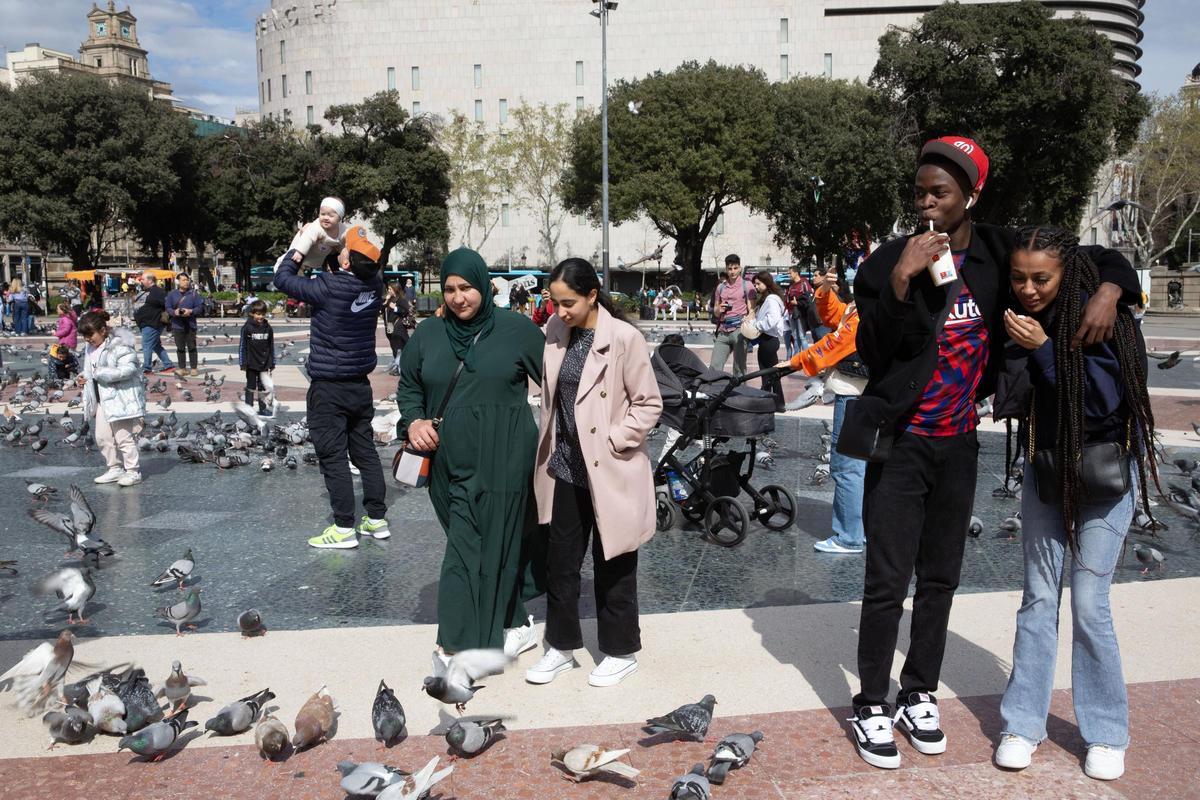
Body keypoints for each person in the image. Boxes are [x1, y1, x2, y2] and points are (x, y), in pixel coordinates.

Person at [846, 136, 1141, 770]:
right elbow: (872, 354)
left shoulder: (996, 253)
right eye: (920, 191)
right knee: (886, 580)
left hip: (958, 443)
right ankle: (871, 701)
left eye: (940, 193)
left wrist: (1111, 293)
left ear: (969, 197)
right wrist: (900, 280)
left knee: (942, 577)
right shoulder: (887, 261)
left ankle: (916, 692)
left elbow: (1096, 259)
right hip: (901, 444)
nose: (926, 204)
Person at [993, 227, 1158, 782]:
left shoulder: (1096, 315)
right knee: (1038, 599)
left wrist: (1106, 296)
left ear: (1067, 273)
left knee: (1090, 603)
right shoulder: (1021, 312)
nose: (1028, 288)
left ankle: (1107, 733)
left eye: (1042, 278)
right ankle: (1022, 724)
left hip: (1106, 473)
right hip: (1047, 471)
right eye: (1019, 278)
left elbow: (1101, 400)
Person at [397, 247, 545, 658]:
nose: (458, 297)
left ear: (483, 285)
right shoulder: (428, 334)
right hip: (446, 464)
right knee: (478, 546)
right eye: (449, 289)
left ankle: (458, 650)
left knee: (471, 547)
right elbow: (409, 386)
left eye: (466, 288)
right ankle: (514, 620)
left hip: (505, 460)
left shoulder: (517, 330)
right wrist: (413, 421)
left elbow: (558, 382)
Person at [527, 258, 662, 688]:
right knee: (561, 561)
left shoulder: (625, 338)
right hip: (566, 465)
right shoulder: (555, 332)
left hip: (611, 468)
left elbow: (649, 403)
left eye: (567, 303)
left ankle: (621, 651)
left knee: (615, 561)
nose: (559, 312)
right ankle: (561, 646)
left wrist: (615, 438)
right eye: (553, 303)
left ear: (591, 295)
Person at [273, 225, 390, 549]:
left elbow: (282, 279)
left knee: (333, 457)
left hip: (329, 388)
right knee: (364, 452)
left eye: (345, 250)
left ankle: (342, 528)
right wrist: (338, 243)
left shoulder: (329, 286)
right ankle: (376, 519)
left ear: (348, 262)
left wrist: (304, 243)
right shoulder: (375, 285)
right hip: (359, 386)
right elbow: (357, 262)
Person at [781, 271, 868, 553]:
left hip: (852, 394)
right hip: (862, 394)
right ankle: (862, 529)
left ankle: (849, 537)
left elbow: (833, 344)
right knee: (864, 468)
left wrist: (794, 362)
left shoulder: (866, 314)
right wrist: (827, 291)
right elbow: (834, 315)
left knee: (846, 468)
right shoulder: (866, 307)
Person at [78, 310, 145, 487]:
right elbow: (90, 369)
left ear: (103, 330)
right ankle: (114, 468)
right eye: (84, 336)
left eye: (90, 334)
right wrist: (84, 377)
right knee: (102, 437)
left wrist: (100, 373)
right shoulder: (90, 347)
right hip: (101, 398)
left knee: (123, 437)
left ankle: (133, 471)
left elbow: (129, 369)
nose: (87, 339)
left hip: (119, 398)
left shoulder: (120, 345)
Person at [708, 254, 755, 376]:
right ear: (726, 269)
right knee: (714, 367)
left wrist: (748, 319)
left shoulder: (747, 285)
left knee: (739, 369)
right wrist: (719, 309)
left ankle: (740, 393)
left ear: (740, 268)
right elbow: (716, 311)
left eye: (735, 268)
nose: (732, 271)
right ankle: (713, 392)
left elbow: (752, 309)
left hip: (739, 331)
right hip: (723, 331)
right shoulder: (721, 287)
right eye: (730, 268)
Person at [276, 196, 349, 271]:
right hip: (302, 249)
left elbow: (349, 238)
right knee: (293, 258)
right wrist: (300, 252)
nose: (326, 217)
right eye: (323, 214)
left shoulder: (343, 230)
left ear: (339, 218)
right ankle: (280, 265)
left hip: (316, 258)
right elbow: (307, 238)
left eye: (330, 216)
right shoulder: (317, 226)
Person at [239, 299, 276, 416]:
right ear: (252, 313)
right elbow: (242, 346)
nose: (260, 317)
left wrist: (272, 362)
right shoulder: (247, 328)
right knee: (250, 387)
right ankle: (249, 407)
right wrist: (242, 362)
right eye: (258, 314)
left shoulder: (268, 328)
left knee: (262, 387)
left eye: (263, 314)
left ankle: (263, 408)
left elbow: (271, 346)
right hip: (251, 363)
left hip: (264, 363)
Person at [132, 272, 174, 374]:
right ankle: (168, 365)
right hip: (146, 323)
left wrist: (169, 321)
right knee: (156, 345)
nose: (141, 281)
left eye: (143, 279)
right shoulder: (147, 291)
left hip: (152, 323)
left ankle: (147, 368)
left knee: (146, 345)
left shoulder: (158, 292)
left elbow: (168, 305)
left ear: (150, 280)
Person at [166, 273, 204, 376]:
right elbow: (168, 307)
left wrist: (190, 311)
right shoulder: (172, 294)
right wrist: (175, 312)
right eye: (183, 280)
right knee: (180, 347)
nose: (186, 282)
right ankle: (182, 368)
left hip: (190, 324)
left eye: (187, 280)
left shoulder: (193, 294)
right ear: (178, 282)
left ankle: (193, 368)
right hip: (177, 324)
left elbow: (200, 308)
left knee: (192, 346)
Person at [382, 282, 411, 376]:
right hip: (390, 325)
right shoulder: (389, 299)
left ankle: (400, 368)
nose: (388, 291)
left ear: (395, 289)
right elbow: (382, 310)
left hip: (398, 325)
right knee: (393, 346)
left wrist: (395, 308)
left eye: (390, 289)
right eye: (388, 289)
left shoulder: (401, 299)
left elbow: (406, 310)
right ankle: (397, 366)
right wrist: (386, 302)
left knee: (399, 346)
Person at [785, 266, 815, 357]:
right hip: (791, 313)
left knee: (802, 336)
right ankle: (797, 357)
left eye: (790, 273)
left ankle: (807, 357)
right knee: (795, 336)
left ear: (796, 273)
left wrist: (797, 302)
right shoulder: (791, 285)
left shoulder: (804, 283)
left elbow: (809, 299)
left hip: (800, 314)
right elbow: (787, 299)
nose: (788, 275)